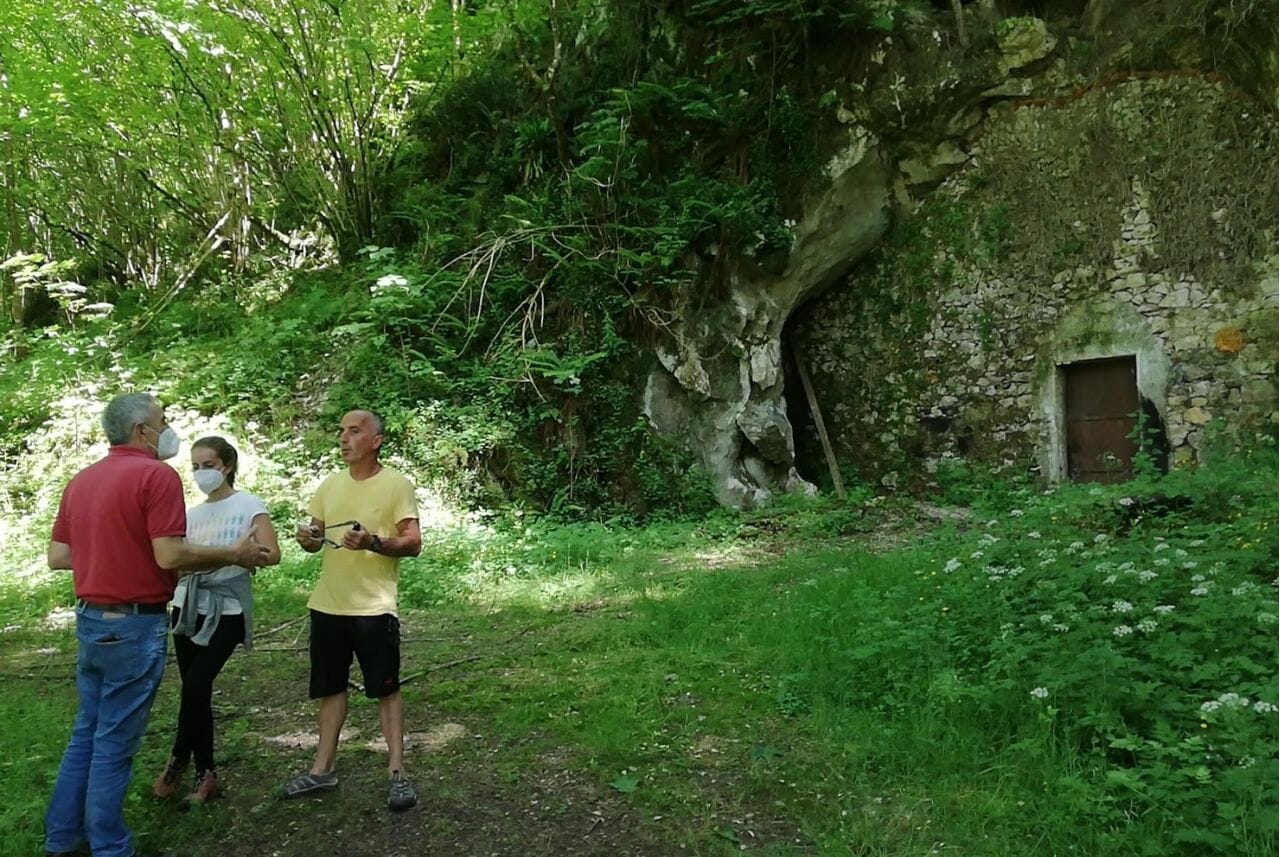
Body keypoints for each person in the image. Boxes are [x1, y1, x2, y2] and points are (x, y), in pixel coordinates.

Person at [44, 393, 268, 857]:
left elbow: (60, 556)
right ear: (141, 431)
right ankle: (110, 846)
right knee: (114, 742)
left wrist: (115, 553)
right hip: (133, 623)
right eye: (162, 422)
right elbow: (168, 554)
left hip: (89, 618)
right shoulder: (156, 475)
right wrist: (233, 554)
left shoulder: (82, 480)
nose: (168, 429)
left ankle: (63, 837)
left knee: (86, 731)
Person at [279, 410, 422, 811]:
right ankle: (322, 769)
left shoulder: (396, 484)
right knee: (330, 687)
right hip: (327, 604)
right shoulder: (329, 485)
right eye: (341, 432)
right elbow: (314, 538)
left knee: (386, 689)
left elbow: (413, 542)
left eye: (354, 431)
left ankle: (397, 774)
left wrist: (374, 542)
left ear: (375, 440)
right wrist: (308, 538)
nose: (344, 439)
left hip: (374, 609)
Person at [152, 436, 281, 804]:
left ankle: (177, 760)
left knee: (195, 686)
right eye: (194, 466)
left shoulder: (249, 505)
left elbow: (271, 554)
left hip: (227, 609)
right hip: (187, 606)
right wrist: (229, 556)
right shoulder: (190, 514)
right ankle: (206, 775)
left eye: (207, 465)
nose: (200, 473)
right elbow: (177, 559)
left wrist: (238, 558)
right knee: (197, 692)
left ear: (226, 465)